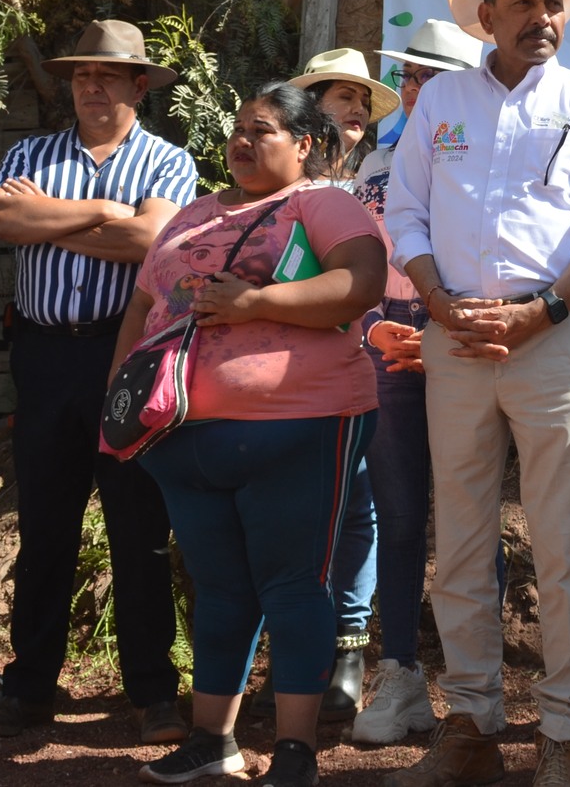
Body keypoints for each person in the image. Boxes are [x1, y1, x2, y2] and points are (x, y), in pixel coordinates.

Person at [383, 0, 570, 787]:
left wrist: (543, 311)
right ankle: (472, 726)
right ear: (486, 15)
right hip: (453, 335)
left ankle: (564, 735)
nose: (542, 18)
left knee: (563, 544)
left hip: (552, 333)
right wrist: (437, 301)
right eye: (524, 3)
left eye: (553, 3)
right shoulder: (441, 102)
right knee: (457, 540)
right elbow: (406, 210)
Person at [117, 83, 389, 787]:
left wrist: (256, 302)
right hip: (184, 439)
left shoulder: (321, 203)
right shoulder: (188, 218)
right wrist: (118, 401)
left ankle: (296, 751)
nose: (241, 140)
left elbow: (361, 283)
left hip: (300, 426)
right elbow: (144, 309)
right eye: (237, 128)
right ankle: (215, 740)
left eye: (261, 129)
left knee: (293, 586)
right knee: (220, 589)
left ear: (303, 145)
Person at [0, 19, 199, 745]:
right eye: (80, 75)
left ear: (139, 86)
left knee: (139, 529)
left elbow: (152, 240)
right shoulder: (30, 150)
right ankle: (29, 691)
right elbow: (4, 219)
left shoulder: (168, 161)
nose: (91, 86)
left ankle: (152, 693)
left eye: (106, 75)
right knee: (44, 527)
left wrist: (51, 222)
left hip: (130, 356)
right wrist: (104, 213)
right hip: (42, 358)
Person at [347, 21, 489, 746]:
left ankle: (476, 692)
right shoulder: (375, 160)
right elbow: (354, 258)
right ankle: (399, 679)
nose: (417, 88)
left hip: (468, 344)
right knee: (398, 518)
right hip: (388, 344)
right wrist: (372, 328)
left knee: (472, 521)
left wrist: (450, 335)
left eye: (434, 77)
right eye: (409, 75)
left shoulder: (490, 158)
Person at [282, 47, 401, 724]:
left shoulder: (384, 180)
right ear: (310, 111)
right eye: (340, 97)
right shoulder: (278, 186)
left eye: (363, 101)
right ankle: (299, 652)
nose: (355, 110)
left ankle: (349, 653)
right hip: (288, 367)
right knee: (295, 506)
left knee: (359, 504)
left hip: (367, 357)